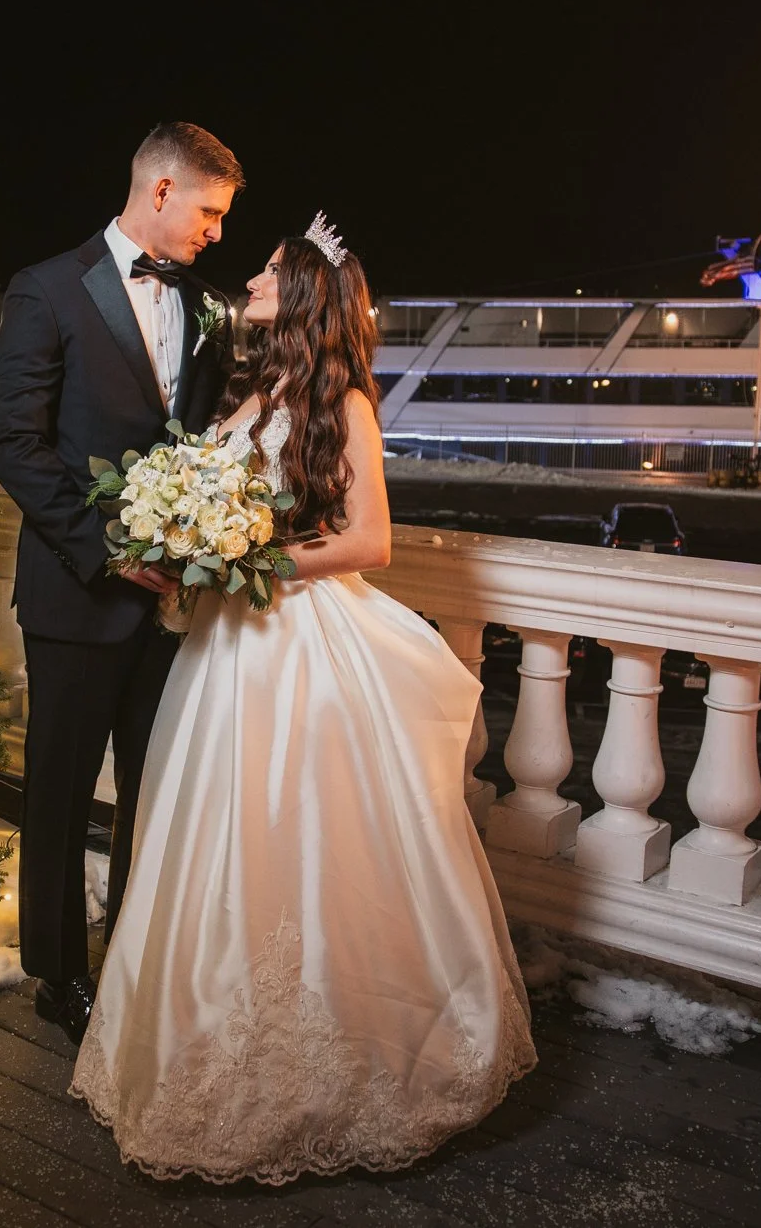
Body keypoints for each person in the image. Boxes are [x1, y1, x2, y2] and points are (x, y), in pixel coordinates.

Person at [69, 217, 536, 1184]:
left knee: (306, 834)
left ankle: (344, 1060)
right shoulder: (254, 393)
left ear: (306, 294)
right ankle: (202, 1039)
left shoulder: (345, 403)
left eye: (270, 270)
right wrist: (187, 538)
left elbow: (370, 541)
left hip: (300, 641)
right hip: (225, 648)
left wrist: (253, 560)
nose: (251, 277)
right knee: (214, 830)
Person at [0, 123, 244, 1044]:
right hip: (76, 591)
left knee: (155, 789)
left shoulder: (210, 307)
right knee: (59, 791)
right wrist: (104, 551)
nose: (216, 232)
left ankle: (134, 961)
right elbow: (13, 445)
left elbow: (206, 440)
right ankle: (58, 976)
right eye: (210, 211)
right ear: (162, 190)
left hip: (170, 603)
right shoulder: (47, 288)